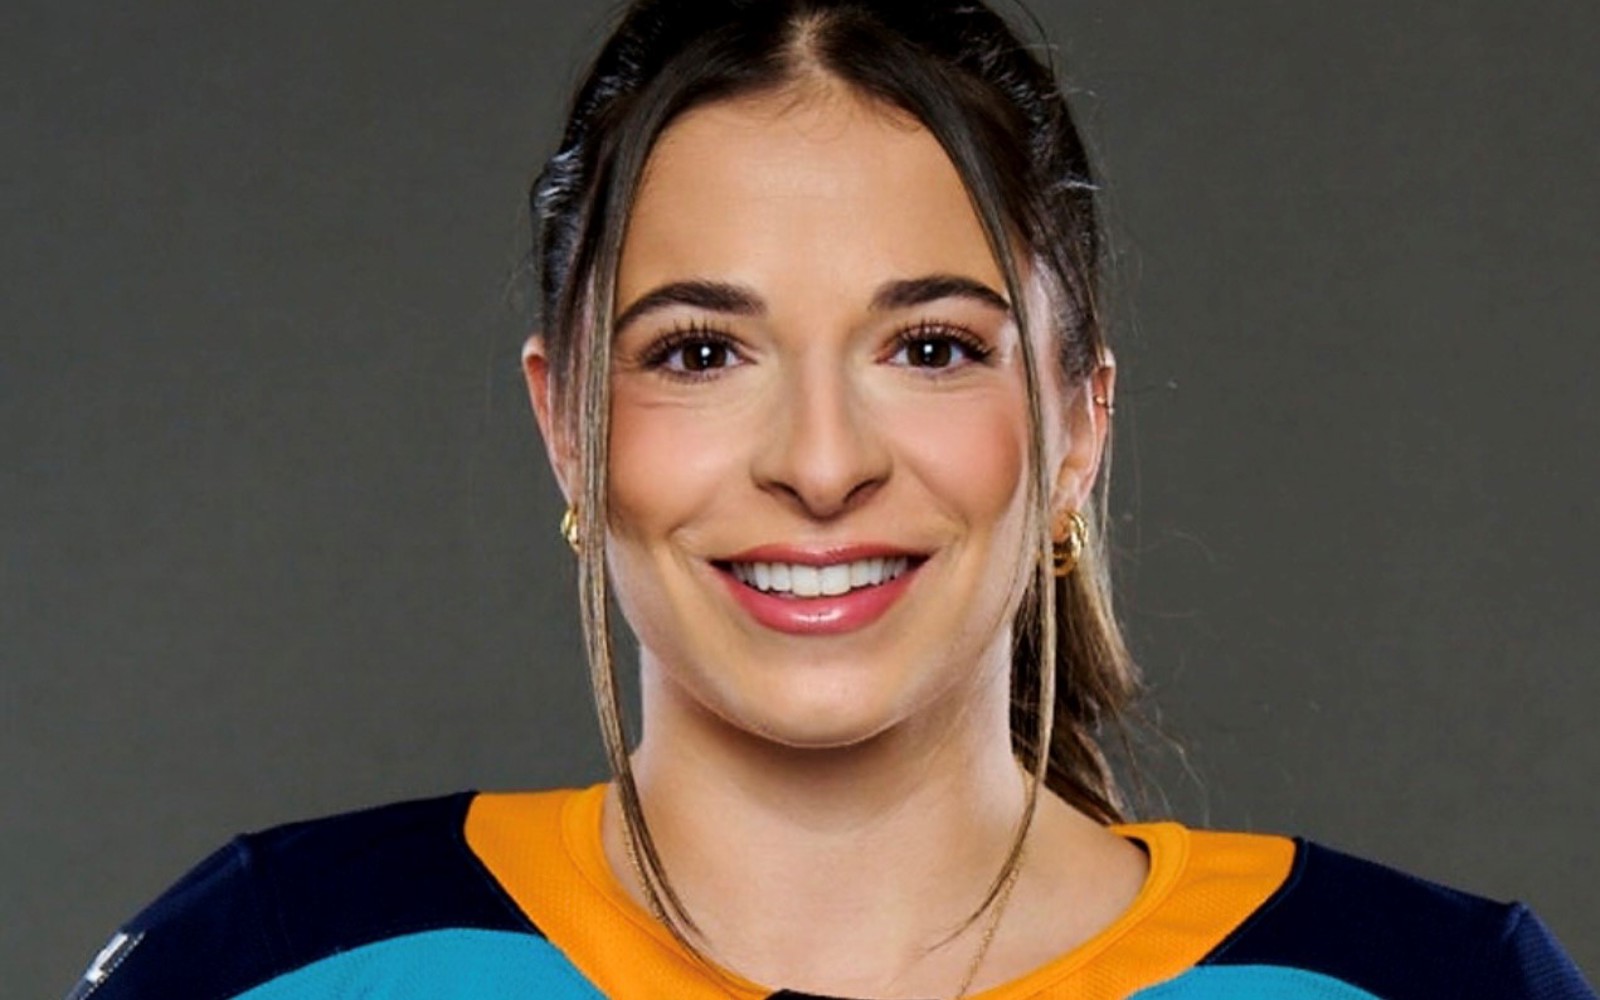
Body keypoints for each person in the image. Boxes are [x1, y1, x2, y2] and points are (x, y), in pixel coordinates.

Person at [65, 1, 1594, 998]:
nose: (817, 459)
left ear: (1076, 426)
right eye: (701, 350)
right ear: (567, 426)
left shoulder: (1431, 981)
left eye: (931, 346)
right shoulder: (276, 957)